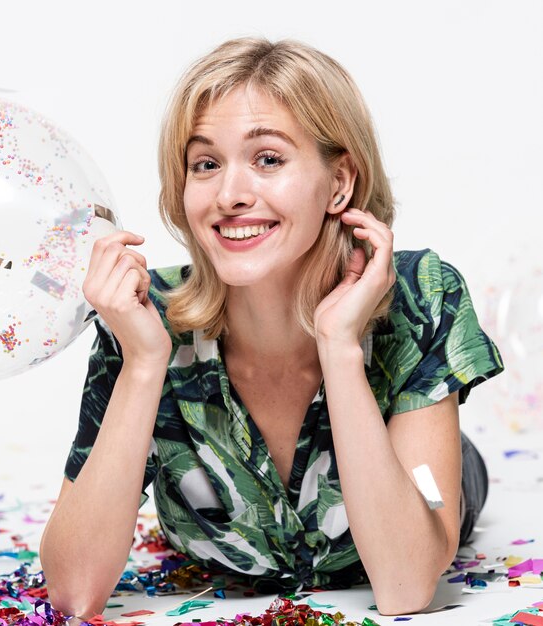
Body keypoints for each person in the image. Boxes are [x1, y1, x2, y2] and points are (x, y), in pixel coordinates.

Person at [39, 37, 504, 618]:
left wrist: (339, 348)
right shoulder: (141, 315)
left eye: (268, 159)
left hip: (424, 474)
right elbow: (75, 593)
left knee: (443, 472)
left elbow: (406, 589)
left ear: (339, 183)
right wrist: (143, 364)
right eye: (205, 164)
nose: (230, 195)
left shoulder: (420, 295)